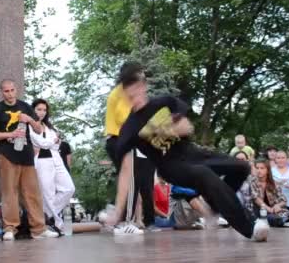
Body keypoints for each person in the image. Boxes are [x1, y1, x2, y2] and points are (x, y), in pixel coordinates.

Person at [109, 68, 269, 242]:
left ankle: (215, 206)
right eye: (130, 92)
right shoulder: (130, 128)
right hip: (171, 166)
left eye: (138, 87)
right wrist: (118, 211)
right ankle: (250, 229)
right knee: (203, 174)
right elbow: (125, 171)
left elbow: (187, 126)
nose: (136, 94)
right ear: (125, 94)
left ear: (144, 86)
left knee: (241, 167)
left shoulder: (164, 102)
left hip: (193, 153)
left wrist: (175, 127)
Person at [0, 80, 58, 241]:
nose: (10, 94)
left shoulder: (25, 106)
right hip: (7, 154)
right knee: (10, 192)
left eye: (12, 90)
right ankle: (10, 228)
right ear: (1, 92)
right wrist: (9, 135)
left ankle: (39, 229)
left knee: (32, 193)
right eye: (6, 91)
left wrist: (29, 120)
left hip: (26, 155)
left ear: (16, 90)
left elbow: (39, 129)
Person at [104, 62, 152, 234]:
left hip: (117, 140)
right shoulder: (122, 93)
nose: (143, 77)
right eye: (140, 73)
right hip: (120, 139)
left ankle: (120, 219)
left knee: (129, 180)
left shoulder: (122, 91)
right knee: (131, 180)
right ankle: (126, 222)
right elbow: (123, 119)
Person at [29, 98, 75, 234]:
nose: (42, 112)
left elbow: (57, 144)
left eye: (44, 110)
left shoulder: (48, 126)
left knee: (69, 189)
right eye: (39, 109)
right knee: (48, 193)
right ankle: (56, 223)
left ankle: (45, 213)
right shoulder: (30, 125)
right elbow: (42, 143)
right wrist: (52, 141)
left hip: (57, 160)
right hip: (43, 161)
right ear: (33, 110)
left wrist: (52, 141)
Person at [251, 159, 289, 227]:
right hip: (258, 210)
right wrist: (269, 209)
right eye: (257, 168)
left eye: (262, 168)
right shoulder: (252, 182)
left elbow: (283, 200)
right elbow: (256, 198)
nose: (259, 170)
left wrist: (278, 205)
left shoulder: (274, 183)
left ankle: (276, 220)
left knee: (279, 216)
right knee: (270, 218)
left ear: (267, 170)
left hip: (272, 211)